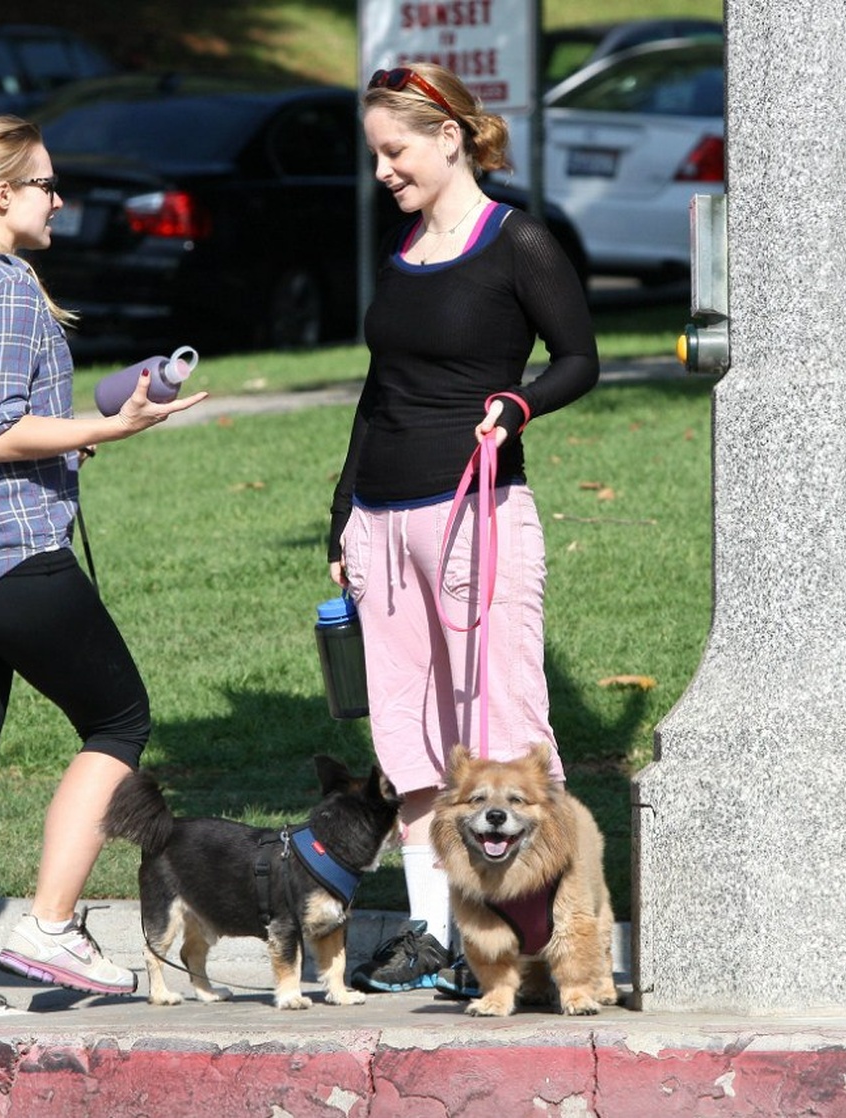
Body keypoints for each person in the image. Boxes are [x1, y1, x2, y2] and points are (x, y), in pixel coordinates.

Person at [0, 114, 207, 1025]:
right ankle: (52, 926)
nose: (59, 201)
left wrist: (58, 443)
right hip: (12, 562)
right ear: (2, 196)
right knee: (119, 720)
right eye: (46, 186)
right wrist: (110, 425)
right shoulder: (8, 286)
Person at [329, 63, 600, 994]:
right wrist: (343, 516)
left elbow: (579, 359)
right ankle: (433, 935)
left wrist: (518, 406)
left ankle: (545, 937)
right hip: (383, 524)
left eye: (395, 151)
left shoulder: (517, 240)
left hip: (474, 514)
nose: (383, 172)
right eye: (375, 155)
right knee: (409, 738)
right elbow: (379, 391)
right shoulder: (402, 249)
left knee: (505, 728)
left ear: (449, 138)